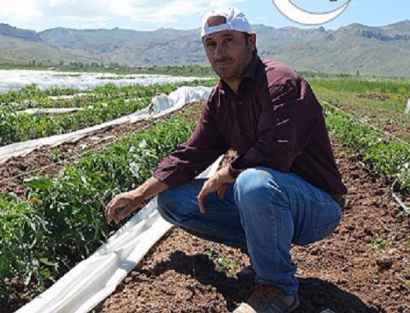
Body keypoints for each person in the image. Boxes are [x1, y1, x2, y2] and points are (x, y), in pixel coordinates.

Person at [105, 7, 347, 313]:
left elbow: (276, 151)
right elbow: (191, 154)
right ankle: (263, 254)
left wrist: (225, 173)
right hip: (270, 198)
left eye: (229, 40)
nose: (220, 52)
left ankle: (279, 289)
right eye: (211, 44)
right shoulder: (219, 100)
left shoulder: (279, 83)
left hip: (317, 205)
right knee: (173, 201)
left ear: (251, 41)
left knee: (253, 181)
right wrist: (139, 194)